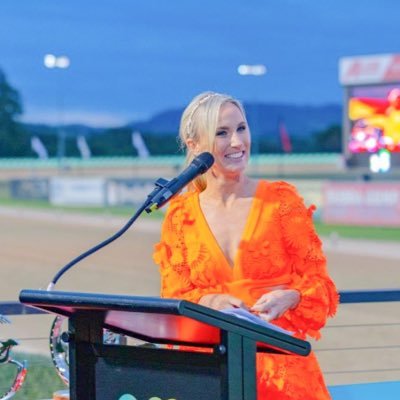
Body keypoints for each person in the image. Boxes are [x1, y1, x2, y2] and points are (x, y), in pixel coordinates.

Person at [153, 91, 339, 400]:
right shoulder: (179, 215)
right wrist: (208, 302)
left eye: (241, 128)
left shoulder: (282, 202)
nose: (238, 142)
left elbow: (322, 289)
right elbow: (174, 298)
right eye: (222, 133)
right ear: (195, 146)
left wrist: (292, 297)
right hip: (209, 378)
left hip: (283, 380)